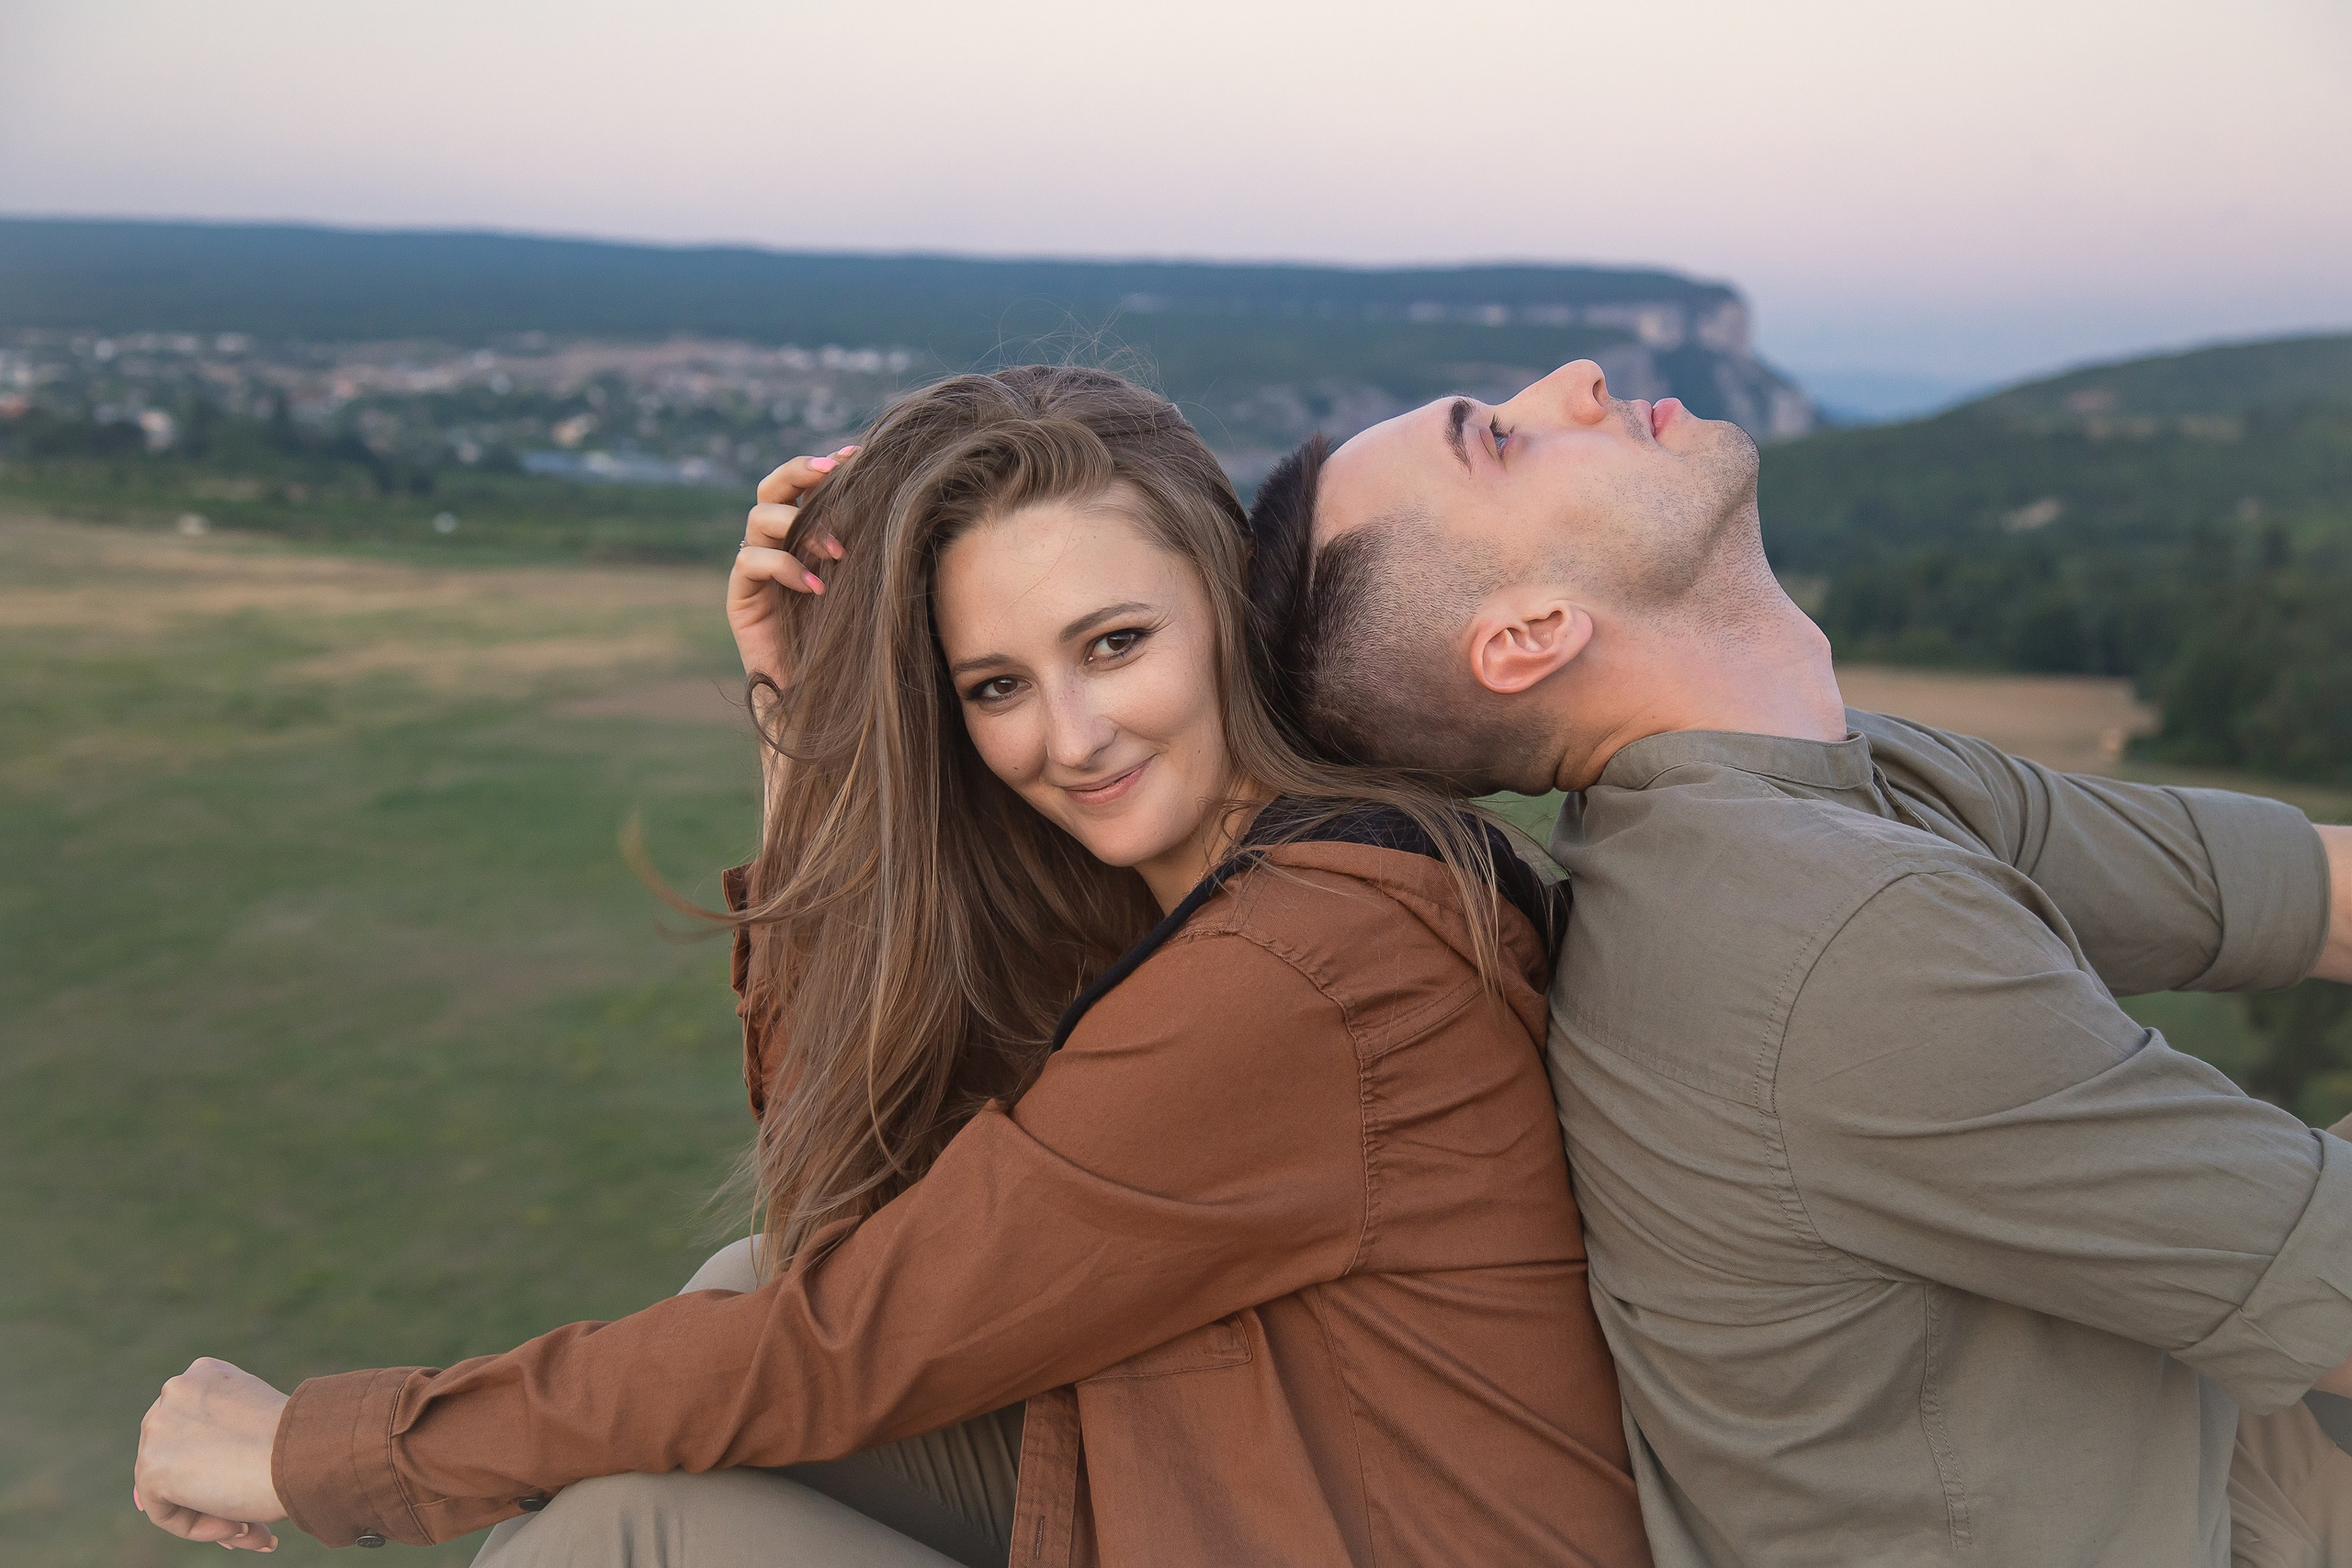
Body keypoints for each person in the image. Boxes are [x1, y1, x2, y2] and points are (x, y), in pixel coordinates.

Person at [130, 367, 1655, 1567]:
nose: (1068, 739)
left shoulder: (1306, 966)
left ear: (1223, 604)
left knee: (623, 1531)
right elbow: (849, 1218)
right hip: (1232, 1482)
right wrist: (801, 727)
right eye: (997, 685)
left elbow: (844, 1338)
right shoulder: (1217, 899)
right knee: (718, 1318)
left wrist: (317, 1449)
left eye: (1116, 642)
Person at [1243, 358, 2352, 1566]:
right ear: (1530, 635)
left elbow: (2304, 895)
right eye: (1500, 442)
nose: (1576, 377)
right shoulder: (1828, 941)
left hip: (2207, 1455)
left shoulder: (1820, 780)